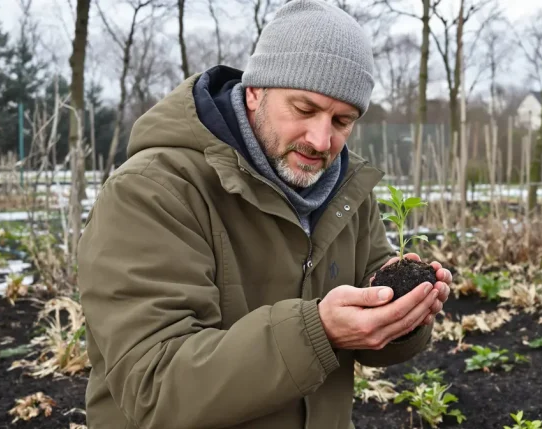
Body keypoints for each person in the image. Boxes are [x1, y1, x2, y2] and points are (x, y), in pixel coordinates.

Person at [76, 0, 451, 428]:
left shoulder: (347, 191)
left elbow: (367, 334)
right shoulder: (154, 192)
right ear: (255, 91)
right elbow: (154, 385)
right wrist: (318, 331)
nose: (321, 139)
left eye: (342, 120)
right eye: (304, 109)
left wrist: (401, 317)